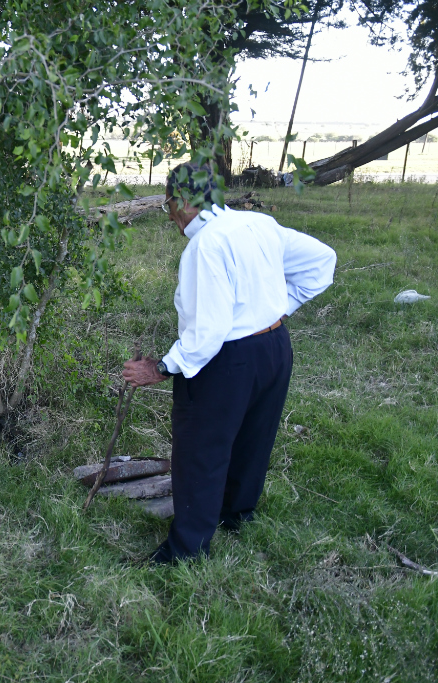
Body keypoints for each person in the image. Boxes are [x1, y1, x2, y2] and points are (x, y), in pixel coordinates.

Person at [122, 162, 336, 565]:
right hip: (273, 349)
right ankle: (237, 514)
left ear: (183, 200)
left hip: (227, 360)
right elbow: (323, 260)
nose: (169, 216)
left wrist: (162, 368)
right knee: (254, 437)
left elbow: (208, 331)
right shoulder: (259, 224)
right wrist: (278, 311)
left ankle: (186, 550)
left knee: (202, 449)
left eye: (168, 205)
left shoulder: (205, 247)